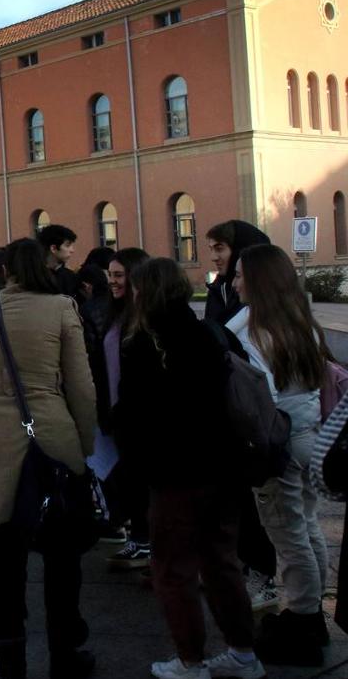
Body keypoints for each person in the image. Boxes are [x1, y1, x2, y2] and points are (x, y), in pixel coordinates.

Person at [114, 257, 263, 679]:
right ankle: (243, 652)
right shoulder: (208, 333)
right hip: (223, 466)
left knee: (174, 568)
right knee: (221, 561)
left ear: (146, 293)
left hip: (174, 472)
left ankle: (191, 660)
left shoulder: (144, 343)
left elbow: (133, 414)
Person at [0, 238, 96, 679]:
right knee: (62, 558)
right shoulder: (61, 308)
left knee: (5, 558)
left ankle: (10, 656)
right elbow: (80, 385)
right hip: (51, 431)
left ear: (6, 272)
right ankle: (64, 653)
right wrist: (84, 444)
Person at [229, 244, 331, 666]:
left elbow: (259, 398)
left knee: (289, 538)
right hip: (309, 437)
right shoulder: (301, 322)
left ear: (258, 281)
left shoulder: (252, 333)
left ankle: (304, 622)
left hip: (280, 445)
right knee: (306, 528)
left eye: (239, 275)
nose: (233, 282)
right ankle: (311, 616)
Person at [203, 220, 279, 613]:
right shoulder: (220, 290)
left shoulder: (262, 308)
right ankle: (242, 566)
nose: (215, 257)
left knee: (267, 511)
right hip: (230, 407)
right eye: (212, 249)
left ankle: (265, 577)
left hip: (255, 413)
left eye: (221, 248)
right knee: (238, 502)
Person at [92, 248, 152, 570]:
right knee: (127, 479)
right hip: (116, 413)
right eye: (110, 276)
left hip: (136, 416)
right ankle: (139, 538)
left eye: (119, 276)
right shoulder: (115, 314)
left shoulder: (144, 318)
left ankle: (145, 541)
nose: (112, 282)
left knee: (139, 481)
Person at [204, 220, 270, 327]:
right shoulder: (217, 289)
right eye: (211, 249)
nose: (213, 257)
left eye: (219, 249)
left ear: (238, 250)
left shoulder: (267, 297)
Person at [37, 224, 79, 297]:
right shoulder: (35, 277)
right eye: (67, 245)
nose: (72, 250)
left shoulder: (71, 276)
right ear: (53, 248)